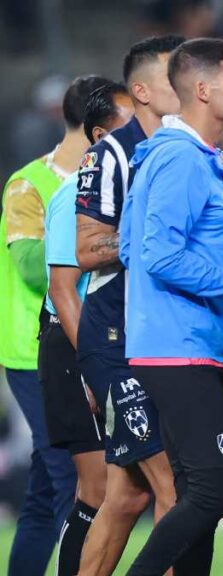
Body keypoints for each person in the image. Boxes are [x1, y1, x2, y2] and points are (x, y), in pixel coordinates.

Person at [119, 38, 223, 576]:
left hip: (172, 342)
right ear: (202, 89)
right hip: (179, 348)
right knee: (213, 491)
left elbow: (130, 245)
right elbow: (156, 253)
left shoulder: (166, 154)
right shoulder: (182, 160)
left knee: (195, 495)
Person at [74, 36, 185, 576]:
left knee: (128, 495)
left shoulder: (189, 150)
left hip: (162, 337)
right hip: (116, 337)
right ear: (142, 91)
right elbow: (86, 248)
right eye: (174, 75)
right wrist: (151, 237)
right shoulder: (111, 153)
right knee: (174, 483)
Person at [1, 74, 104, 576]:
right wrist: (95, 245)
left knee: (45, 495)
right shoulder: (28, 184)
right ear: (96, 125)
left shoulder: (97, 184)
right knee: (76, 483)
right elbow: (27, 265)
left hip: (74, 341)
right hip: (33, 353)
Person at [40, 79, 134, 576]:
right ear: (101, 135)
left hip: (104, 344)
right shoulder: (73, 194)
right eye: (128, 123)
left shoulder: (122, 191)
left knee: (126, 492)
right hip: (73, 345)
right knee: (99, 489)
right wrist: (93, 371)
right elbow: (62, 291)